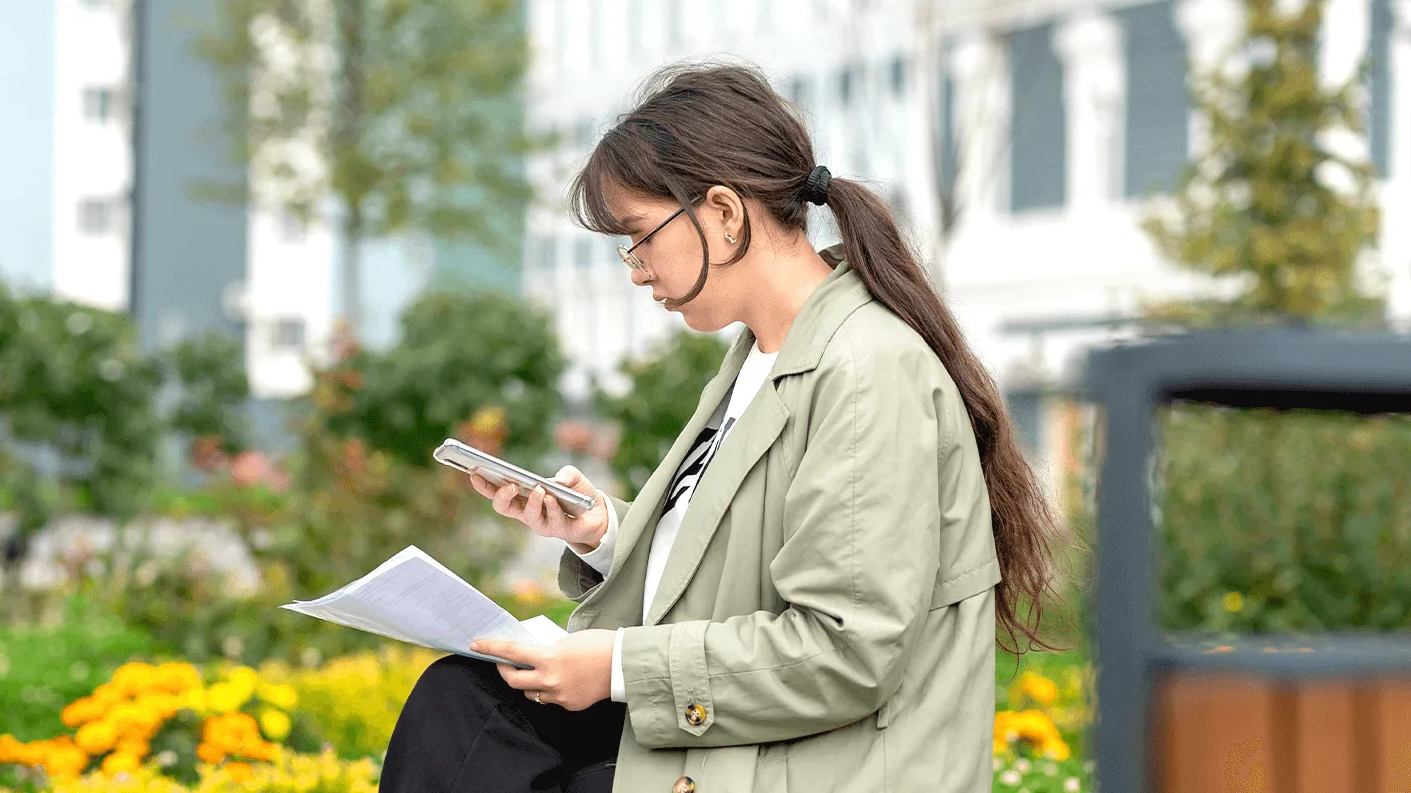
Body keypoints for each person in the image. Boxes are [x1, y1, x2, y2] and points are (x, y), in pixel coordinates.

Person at [377, 62, 1067, 793]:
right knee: (462, 704)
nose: (636, 270)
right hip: (750, 749)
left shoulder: (866, 370)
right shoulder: (762, 358)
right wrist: (604, 531)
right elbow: (742, 562)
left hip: (822, 767)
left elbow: (845, 650)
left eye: (639, 237)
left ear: (725, 213)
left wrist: (615, 667)